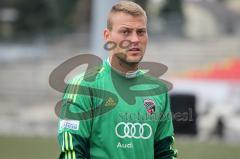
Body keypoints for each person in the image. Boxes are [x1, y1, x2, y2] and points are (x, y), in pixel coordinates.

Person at [57, 1, 178, 159]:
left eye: (141, 32)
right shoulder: (83, 86)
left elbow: (165, 153)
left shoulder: (158, 90)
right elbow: (72, 153)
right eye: (126, 32)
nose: (135, 39)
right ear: (108, 36)